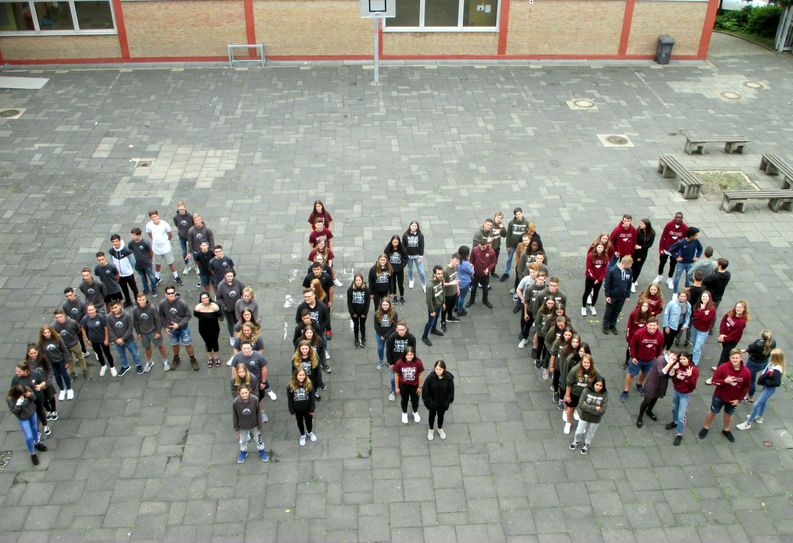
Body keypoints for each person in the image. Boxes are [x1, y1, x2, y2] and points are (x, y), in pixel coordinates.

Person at [698, 349, 751, 443]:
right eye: (733, 358)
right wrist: (724, 381)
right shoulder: (723, 367)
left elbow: (746, 387)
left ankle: (726, 430)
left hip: (733, 399)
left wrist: (739, 400)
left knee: (728, 414)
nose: (735, 360)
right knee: (713, 412)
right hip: (719, 396)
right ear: (730, 358)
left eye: (736, 358)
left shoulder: (746, 372)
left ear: (740, 358)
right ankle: (705, 427)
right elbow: (714, 380)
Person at [737, 348, 785, 430]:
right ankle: (759, 417)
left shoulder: (777, 370)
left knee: (757, 404)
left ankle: (748, 423)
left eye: (773, 356)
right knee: (763, 402)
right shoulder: (773, 364)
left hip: (769, 388)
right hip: (766, 386)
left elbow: (777, 383)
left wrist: (766, 381)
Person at [622, 317, 664, 402]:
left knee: (645, 373)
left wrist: (657, 357)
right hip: (637, 359)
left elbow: (660, 348)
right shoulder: (639, 333)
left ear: (657, 326)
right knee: (631, 374)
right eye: (650, 325)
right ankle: (625, 391)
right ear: (647, 325)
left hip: (650, 359)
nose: (652, 327)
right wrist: (633, 357)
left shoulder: (660, 335)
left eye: (654, 325)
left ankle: (639, 385)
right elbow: (632, 345)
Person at [157, 286, 199, 371]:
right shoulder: (162, 303)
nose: (171, 295)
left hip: (183, 328)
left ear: (175, 293)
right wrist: (165, 327)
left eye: (172, 293)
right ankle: (176, 358)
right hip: (171, 329)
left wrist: (179, 325)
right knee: (174, 344)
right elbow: (161, 315)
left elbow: (188, 315)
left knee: (187, 344)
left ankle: (193, 359)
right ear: (165, 294)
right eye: (168, 293)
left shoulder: (182, 303)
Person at [7, 384, 48, 466]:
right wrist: (18, 404)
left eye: (24, 393)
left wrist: (30, 395)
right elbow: (14, 411)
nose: (23, 395)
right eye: (21, 394)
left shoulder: (26, 389)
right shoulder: (10, 399)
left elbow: (34, 399)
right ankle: (32, 453)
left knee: (35, 429)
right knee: (29, 437)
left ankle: (37, 443)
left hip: (32, 413)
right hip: (23, 418)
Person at [665, 351, 699, 445]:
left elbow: (692, 387)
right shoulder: (677, 366)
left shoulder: (694, 369)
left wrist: (689, 376)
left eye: (684, 359)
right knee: (674, 408)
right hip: (676, 391)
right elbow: (674, 381)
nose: (682, 361)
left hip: (685, 394)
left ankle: (679, 434)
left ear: (688, 359)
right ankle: (675, 422)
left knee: (681, 415)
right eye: (680, 359)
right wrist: (677, 377)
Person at [107, 300, 148, 376]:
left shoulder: (127, 315)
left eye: (115, 307)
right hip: (117, 341)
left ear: (120, 306)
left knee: (135, 353)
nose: (114, 309)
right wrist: (116, 339)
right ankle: (125, 366)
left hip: (129, 340)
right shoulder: (109, 317)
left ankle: (138, 365)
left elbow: (130, 328)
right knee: (121, 355)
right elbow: (110, 330)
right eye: (112, 308)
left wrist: (122, 339)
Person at [569, 376, 607, 456]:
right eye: (597, 385)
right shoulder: (586, 391)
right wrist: (595, 408)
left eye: (601, 386)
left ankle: (586, 444)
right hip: (584, 417)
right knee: (579, 431)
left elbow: (602, 411)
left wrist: (587, 407)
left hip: (595, 419)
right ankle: (576, 441)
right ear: (593, 384)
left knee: (591, 433)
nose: (598, 387)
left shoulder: (604, 394)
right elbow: (581, 405)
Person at [636, 351, 675, 428]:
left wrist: (673, 368)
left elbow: (670, 376)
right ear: (670, 353)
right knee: (647, 400)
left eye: (676, 357)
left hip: (662, 383)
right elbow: (661, 373)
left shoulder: (674, 363)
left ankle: (649, 411)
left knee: (655, 397)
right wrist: (670, 364)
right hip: (653, 381)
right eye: (673, 355)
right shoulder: (661, 359)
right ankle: (640, 416)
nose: (674, 358)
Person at [12, 361, 50, 438]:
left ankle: (45, 425)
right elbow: (13, 389)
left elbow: (44, 382)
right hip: (26, 401)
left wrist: (39, 386)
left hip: (37, 397)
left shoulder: (35, 374)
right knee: (32, 415)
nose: (17, 373)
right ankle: (37, 431)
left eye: (19, 371)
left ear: (26, 370)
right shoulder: (16, 378)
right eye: (16, 371)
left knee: (40, 411)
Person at [133, 292, 169, 372]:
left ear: (146, 300)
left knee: (160, 346)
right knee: (147, 347)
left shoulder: (152, 308)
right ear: (137, 300)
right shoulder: (135, 309)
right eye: (139, 300)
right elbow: (135, 322)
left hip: (153, 332)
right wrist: (138, 332)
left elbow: (158, 321)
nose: (141, 301)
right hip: (143, 333)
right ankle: (149, 361)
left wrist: (158, 332)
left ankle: (165, 361)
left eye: (143, 299)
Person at [145, 210, 183, 286]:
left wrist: (165, 240)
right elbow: (149, 234)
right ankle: (157, 277)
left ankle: (176, 276)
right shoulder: (149, 225)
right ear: (150, 218)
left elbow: (170, 235)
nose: (154, 218)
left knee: (170, 263)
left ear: (158, 216)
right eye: (152, 217)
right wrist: (155, 240)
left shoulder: (164, 224)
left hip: (166, 248)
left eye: (155, 216)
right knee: (157, 264)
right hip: (156, 248)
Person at [232, 385, 268, 463]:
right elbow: (235, 416)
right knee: (243, 440)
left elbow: (258, 413)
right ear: (239, 393)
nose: (244, 394)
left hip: (254, 425)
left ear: (249, 391)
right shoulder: (235, 402)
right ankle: (243, 452)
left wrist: (259, 424)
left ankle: (261, 450)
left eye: (246, 392)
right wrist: (236, 428)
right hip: (242, 427)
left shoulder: (255, 399)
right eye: (242, 393)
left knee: (259, 439)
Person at [37, 326, 75, 401]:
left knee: (64, 374)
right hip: (50, 362)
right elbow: (40, 352)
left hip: (60, 359)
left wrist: (66, 361)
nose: (47, 334)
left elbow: (64, 350)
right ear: (42, 334)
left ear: (51, 332)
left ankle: (69, 389)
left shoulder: (57, 338)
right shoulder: (41, 342)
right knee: (57, 376)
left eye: (48, 332)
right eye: (45, 333)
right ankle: (62, 390)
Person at [563, 354, 598, 435]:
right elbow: (569, 383)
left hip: (586, 394)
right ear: (581, 362)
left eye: (588, 363)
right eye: (585, 362)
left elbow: (597, 382)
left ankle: (582, 425)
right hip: (574, 393)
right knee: (571, 408)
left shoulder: (594, 371)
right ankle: (568, 423)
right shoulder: (575, 370)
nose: (586, 364)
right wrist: (567, 395)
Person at [711, 300, 749, 374]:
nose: (738, 309)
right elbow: (723, 321)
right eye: (737, 307)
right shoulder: (731, 313)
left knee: (724, 357)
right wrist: (721, 334)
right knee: (725, 355)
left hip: (731, 341)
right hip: (724, 338)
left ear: (744, 309)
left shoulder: (742, 322)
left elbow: (734, 335)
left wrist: (722, 339)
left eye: (740, 307)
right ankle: (723, 368)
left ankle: (718, 373)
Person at [52, 309, 89, 380]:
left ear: (64, 315)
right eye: (57, 317)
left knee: (80, 357)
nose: (59, 319)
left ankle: (85, 370)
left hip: (75, 344)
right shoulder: (54, 326)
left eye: (60, 316)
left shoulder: (72, 322)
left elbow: (78, 331)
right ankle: (72, 373)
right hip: (64, 347)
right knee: (69, 360)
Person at [294, 289, 330, 362]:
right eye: (305, 297)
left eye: (309, 296)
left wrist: (321, 329)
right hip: (306, 332)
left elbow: (327, 319)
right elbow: (298, 319)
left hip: (318, 330)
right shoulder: (301, 307)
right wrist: (304, 328)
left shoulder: (322, 306)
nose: (307, 298)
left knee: (322, 341)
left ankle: (324, 351)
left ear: (314, 296)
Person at [422, 360, 454, 441]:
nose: (438, 371)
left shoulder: (449, 379)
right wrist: (429, 403)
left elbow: (451, 392)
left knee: (441, 416)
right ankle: (431, 430)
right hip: (433, 404)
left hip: (442, 404)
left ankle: (439, 429)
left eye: (440, 369)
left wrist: (447, 402)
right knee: (431, 416)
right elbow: (425, 391)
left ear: (444, 369)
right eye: (436, 369)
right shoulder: (430, 378)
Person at [654, 212, 687, 290]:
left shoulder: (685, 228)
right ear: (674, 217)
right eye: (677, 217)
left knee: (673, 265)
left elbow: (685, 241)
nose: (678, 219)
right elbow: (663, 236)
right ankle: (659, 276)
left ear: (682, 219)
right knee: (662, 263)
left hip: (676, 251)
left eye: (680, 217)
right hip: (666, 248)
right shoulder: (669, 225)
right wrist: (661, 248)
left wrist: (681, 253)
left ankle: (669, 279)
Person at [81, 304, 116, 376]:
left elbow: (106, 328)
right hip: (93, 340)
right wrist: (87, 340)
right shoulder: (85, 319)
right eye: (89, 310)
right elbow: (83, 329)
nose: (90, 311)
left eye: (92, 309)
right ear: (87, 311)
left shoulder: (101, 317)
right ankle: (103, 366)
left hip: (102, 339)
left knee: (107, 353)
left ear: (95, 310)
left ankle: (112, 367)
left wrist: (106, 339)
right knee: (98, 353)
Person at [385, 321, 417, 401]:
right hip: (395, 363)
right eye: (399, 329)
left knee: (407, 378)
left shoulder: (411, 338)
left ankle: (407, 392)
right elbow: (388, 351)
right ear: (396, 329)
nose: (401, 331)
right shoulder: (392, 337)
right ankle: (393, 391)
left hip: (407, 363)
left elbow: (413, 351)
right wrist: (390, 363)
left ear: (406, 329)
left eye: (403, 329)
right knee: (393, 378)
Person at [742, 329, 776, 403]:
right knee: (763, 375)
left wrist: (743, 351)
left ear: (762, 336)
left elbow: (750, 348)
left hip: (753, 364)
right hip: (764, 362)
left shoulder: (758, 344)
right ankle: (751, 398)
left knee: (751, 381)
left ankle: (750, 396)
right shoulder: (773, 343)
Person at [602, 255, 633, 335]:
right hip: (612, 295)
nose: (631, 266)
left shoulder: (629, 271)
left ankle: (612, 325)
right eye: (630, 264)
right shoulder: (612, 271)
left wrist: (628, 295)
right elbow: (607, 284)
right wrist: (607, 295)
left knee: (617, 311)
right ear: (625, 263)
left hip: (622, 296)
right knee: (609, 311)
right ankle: (605, 326)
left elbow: (629, 284)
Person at [394, 346, 425, 424]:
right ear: (405, 355)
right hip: (403, 385)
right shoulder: (399, 362)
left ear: (414, 354)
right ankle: (404, 413)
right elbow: (397, 375)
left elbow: (420, 375)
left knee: (415, 400)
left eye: (411, 354)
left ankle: (415, 412)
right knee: (404, 400)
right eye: (408, 354)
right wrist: (397, 387)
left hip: (414, 385)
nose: (409, 356)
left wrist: (420, 387)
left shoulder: (418, 362)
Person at [287, 368, 317, 446]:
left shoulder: (309, 384)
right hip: (297, 410)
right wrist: (292, 411)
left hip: (308, 409)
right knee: (299, 422)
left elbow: (312, 398)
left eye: (303, 375)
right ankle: (303, 435)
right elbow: (290, 400)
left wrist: (312, 409)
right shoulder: (290, 386)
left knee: (309, 422)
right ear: (296, 375)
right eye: (300, 375)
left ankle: (310, 432)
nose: (302, 377)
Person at [669, 227, 703, 293]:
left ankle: (686, 292)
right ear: (691, 236)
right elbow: (671, 249)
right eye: (696, 235)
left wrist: (697, 256)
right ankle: (675, 293)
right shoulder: (681, 242)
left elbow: (700, 248)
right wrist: (676, 257)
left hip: (690, 263)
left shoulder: (695, 241)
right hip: (681, 263)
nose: (697, 236)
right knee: (677, 278)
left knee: (688, 279)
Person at [702, 258, 731, 333]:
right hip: (719, 297)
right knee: (714, 312)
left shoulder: (714, 276)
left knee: (707, 310)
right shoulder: (728, 274)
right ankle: (711, 327)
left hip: (711, 296)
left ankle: (706, 324)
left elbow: (704, 282)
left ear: (720, 266)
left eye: (717, 263)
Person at [109, 235, 139, 307]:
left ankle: (137, 300)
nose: (115, 243)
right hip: (120, 275)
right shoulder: (111, 251)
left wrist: (131, 270)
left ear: (120, 241)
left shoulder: (126, 250)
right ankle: (128, 301)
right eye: (113, 242)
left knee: (134, 288)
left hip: (128, 273)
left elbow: (132, 261)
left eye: (117, 241)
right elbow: (112, 261)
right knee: (124, 289)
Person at [193, 292, 222, 368]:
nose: (204, 299)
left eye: (206, 297)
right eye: (202, 298)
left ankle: (216, 357)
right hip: (203, 328)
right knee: (208, 343)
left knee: (215, 342)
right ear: (200, 299)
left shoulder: (214, 306)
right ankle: (209, 357)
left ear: (209, 298)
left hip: (214, 328)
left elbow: (220, 315)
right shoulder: (198, 307)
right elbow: (196, 315)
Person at [217, 270, 245, 347]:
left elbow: (244, 293)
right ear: (225, 276)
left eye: (231, 276)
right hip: (227, 310)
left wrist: (242, 303)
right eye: (228, 276)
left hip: (238, 309)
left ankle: (241, 336)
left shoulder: (239, 283)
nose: (230, 277)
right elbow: (219, 298)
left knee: (239, 323)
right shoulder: (221, 285)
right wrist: (224, 307)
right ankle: (232, 337)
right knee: (230, 323)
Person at [129, 227, 158, 297]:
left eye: (133, 235)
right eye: (131, 235)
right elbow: (130, 251)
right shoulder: (131, 243)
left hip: (147, 264)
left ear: (138, 235)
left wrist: (149, 260)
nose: (131, 236)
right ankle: (146, 289)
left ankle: (154, 288)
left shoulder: (145, 243)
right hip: (138, 264)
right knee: (142, 277)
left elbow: (151, 252)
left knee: (151, 276)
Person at [501, 207, 529, 281]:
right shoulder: (511, 223)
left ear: (522, 213)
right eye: (517, 215)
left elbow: (528, 235)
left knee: (521, 259)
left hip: (522, 245)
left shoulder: (526, 223)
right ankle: (506, 272)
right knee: (509, 259)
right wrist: (508, 246)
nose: (518, 216)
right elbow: (508, 234)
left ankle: (521, 272)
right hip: (512, 245)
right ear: (515, 215)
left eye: (519, 214)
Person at [690, 290, 717, 367]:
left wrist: (700, 312)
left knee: (697, 347)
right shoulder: (699, 304)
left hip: (703, 331)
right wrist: (703, 313)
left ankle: (695, 362)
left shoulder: (712, 309)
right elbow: (695, 315)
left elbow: (706, 320)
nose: (704, 298)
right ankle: (694, 355)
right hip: (695, 327)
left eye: (706, 297)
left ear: (709, 298)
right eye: (703, 296)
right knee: (694, 343)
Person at [467, 239, 496, 309]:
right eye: (481, 246)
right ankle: (472, 300)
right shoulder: (475, 249)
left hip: (485, 274)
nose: (482, 248)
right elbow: (471, 260)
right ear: (479, 244)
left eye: (484, 247)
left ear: (487, 244)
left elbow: (494, 262)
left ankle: (485, 300)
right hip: (475, 273)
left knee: (485, 288)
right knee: (473, 288)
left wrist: (488, 269)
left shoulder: (491, 251)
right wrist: (472, 269)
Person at [582, 242, 608, 316]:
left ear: (603, 249)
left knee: (596, 293)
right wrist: (594, 278)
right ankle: (584, 307)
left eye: (601, 248)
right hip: (590, 278)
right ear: (596, 248)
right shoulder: (590, 256)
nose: (600, 249)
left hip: (599, 279)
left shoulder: (605, 256)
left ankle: (592, 306)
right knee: (587, 292)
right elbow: (589, 268)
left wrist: (599, 279)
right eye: (599, 247)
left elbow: (605, 269)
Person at [62, 288, 90, 357]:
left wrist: (80, 325)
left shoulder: (82, 303)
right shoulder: (65, 305)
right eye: (67, 296)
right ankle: (84, 351)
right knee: (79, 339)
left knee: (89, 338)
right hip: (73, 326)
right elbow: (67, 316)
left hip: (83, 325)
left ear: (74, 293)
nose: (69, 297)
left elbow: (85, 315)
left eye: (70, 295)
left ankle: (96, 352)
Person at [422, 266, 445, 346]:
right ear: (434, 274)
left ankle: (434, 330)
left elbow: (443, 291)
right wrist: (432, 311)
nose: (440, 275)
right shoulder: (430, 286)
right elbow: (428, 300)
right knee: (430, 322)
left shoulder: (441, 280)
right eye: (438, 274)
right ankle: (424, 337)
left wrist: (444, 302)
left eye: (441, 273)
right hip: (433, 307)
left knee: (437, 317)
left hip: (439, 304)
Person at [631, 218, 655, 292]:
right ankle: (631, 279)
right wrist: (638, 254)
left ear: (646, 225)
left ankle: (633, 281)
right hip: (635, 252)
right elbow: (634, 242)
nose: (640, 225)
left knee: (638, 268)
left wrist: (641, 247)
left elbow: (650, 244)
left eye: (642, 224)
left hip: (643, 252)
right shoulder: (637, 231)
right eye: (640, 223)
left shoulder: (652, 233)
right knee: (632, 266)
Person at [347, 273, 371, 349]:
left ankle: (363, 338)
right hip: (354, 312)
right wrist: (352, 313)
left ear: (362, 280)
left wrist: (365, 313)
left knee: (362, 325)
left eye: (359, 280)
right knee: (356, 325)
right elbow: (349, 303)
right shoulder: (350, 290)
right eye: (356, 280)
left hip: (363, 312)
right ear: (354, 281)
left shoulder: (366, 289)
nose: (358, 281)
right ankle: (356, 339)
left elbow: (368, 302)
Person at [373, 299, 397, 369]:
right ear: (381, 305)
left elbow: (395, 326)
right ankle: (381, 361)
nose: (385, 306)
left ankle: (390, 362)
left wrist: (386, 336)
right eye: (383, 305)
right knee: (380, 348)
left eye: (386, 304)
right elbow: (376, 326)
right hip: (380, 335)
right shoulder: (377, 313)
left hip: (390, 335)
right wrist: (382, 336)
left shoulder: (394, 313)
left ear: (389, 305)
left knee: (389, 349)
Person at [403, 221, 426, 291]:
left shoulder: (420, 235)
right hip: (408, 256)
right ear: (410, 226)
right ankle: (411, 280)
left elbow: (422, 246)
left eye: (415, 226)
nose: (413, 227)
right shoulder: (405, 235)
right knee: (410, 269)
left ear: (417, 227)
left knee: (421, 271)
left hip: (417, 256)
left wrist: (421, 256)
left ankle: (424, 284)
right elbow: (403, 245)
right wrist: (404, 255)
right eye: (412, 225)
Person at [385, 235, 408, 304]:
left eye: (397, 242)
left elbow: (406, 259)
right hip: (391, 270)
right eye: (394, 242)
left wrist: (401, 266)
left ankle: (401, 296)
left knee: (400, 284)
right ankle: (395, 296)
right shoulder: (388, 249)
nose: (395, 244)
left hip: (400, 270)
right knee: (393, 284)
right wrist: (388, 266)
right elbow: (385, 259)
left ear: (399, 242)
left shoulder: (402, 249)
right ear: (391, 242)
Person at [172, 201, 194, 274]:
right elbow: (177, 225)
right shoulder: (176, 217)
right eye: (179, 209)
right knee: (184, 252)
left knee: (194, 252)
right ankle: (187, 266)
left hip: (190, 237)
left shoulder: (190, 216)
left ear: (185, 208)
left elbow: (193, 225)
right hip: (182, 237)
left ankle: (197, 266)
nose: (181, 211)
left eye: (182, 209)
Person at [440, 254, 460, 331]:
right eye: (456, 261)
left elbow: (456, 278)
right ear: (451, 259)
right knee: (445, 309)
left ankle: (450, 316)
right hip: (447, 295)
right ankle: (443, 321)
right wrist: (451, 283)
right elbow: (441, 284)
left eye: (458, 261)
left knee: (452, 306)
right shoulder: (445, 271)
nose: (457, 263)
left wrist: (458, 288)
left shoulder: (455, 267)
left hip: (454, 292)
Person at [454, 245, 474, 316]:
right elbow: (471, 272)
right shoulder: (466, 264)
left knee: (457, 295)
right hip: (465, 282)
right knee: (462, 297)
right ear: (466, 254)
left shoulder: (457, 261)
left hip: (458, 281)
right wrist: (472, 267)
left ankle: (456, 307)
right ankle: (460, 310)